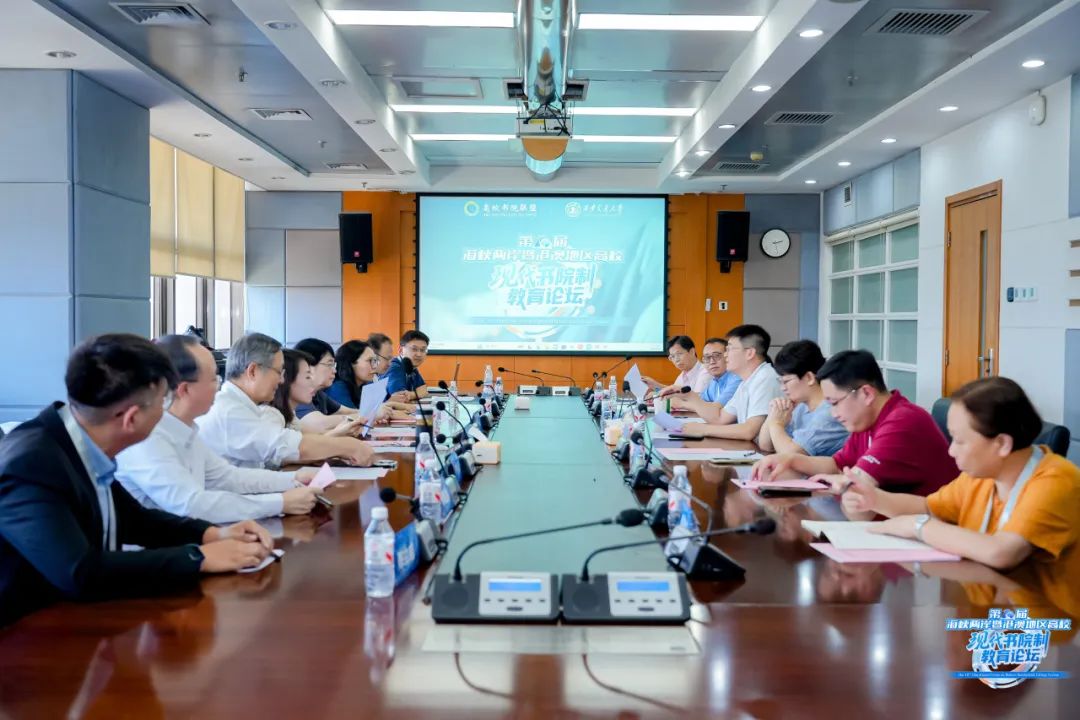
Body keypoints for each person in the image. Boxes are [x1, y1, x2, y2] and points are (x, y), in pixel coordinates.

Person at [0, 334, 274, 627]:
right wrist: (198, 558)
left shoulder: (77, 441)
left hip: (78, 621)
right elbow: (80, 571)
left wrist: (212, 534)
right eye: (162, 401)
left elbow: (134, 519)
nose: (167, 411)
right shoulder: (31, 465)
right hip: (25, 634)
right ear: (131, 418)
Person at [842, 377, 1080, 577]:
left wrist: (917, 526)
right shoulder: (982, 475)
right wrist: (875, 498)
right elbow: (929, 507)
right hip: (988, 601)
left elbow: (1001, 552)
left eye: (960, 440)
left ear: (1001, 444)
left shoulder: (1057, 481)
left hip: (1044, 616)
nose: (951, 450)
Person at [116, 336, 319, 524]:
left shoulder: (186, 429)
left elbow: (227, 477)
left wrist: (293, 479)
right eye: (214, 378)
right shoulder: (147, 437)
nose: (219, 386)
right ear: (184, 389)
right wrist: (280, 503)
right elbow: (191, 504)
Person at [753, 349, 957, 496]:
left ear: (866, 393)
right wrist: (790, 460)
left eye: (835, 403)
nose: (834, 414)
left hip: (931, 525)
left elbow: (856, 483)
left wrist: (837, 480)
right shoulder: (866, 419)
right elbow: (837, 465)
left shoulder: (902, 421)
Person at [197, 333, 374, 469]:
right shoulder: (233, 411)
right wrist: (345, 446)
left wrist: (290, 486)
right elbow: (286, 447)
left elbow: (241, 477)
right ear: (253, 371)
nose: (282, 380)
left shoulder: (247, 407)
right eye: (278, 372)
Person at [676, 324, 783, 441]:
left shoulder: (765, 377)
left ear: (749, 353)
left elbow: (749, 431)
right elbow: (720, 418)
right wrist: (689, 396)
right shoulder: (746, 382)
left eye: (729, 349)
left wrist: (703, 429)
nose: (725, 355)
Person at [757, 340, 848, 457]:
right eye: (780, 381)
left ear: (809, 378)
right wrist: (773, 414)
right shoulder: (801, 407)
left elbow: (791, 455)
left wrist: (776, 424)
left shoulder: (829, 412)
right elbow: (766, 446)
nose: (783, 388)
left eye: (786, 381)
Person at [268, 349, 370, 436]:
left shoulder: (291, 413)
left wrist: (340, 431)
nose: (312, 382)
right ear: (285, 378)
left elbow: (306, 443)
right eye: (307, 377)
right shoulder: (271, 416)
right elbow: (302, 448)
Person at [292, 338, 358, 431]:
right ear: (308, 365)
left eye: (334, 365)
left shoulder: (318, 394)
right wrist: (363, 417)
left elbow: (348, 412)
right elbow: (319, 424)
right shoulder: (297, 392)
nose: (334, 371)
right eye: (329, 364)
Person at [643, 336, 710, 396]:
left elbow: (696, 399)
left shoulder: (705, 372)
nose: (676, 360)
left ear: (692, 352)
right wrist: (655, 385)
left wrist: (657, 393)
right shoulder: (682, 375)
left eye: (679, 354)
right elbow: (674, 392)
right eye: (672, 356)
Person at [382, 330, 431, 399]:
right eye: (414, 349)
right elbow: (399, 397)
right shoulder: (394, 368)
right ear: (401, 350)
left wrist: (413, 394)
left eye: (423, 350)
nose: (419, 354)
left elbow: (423, 390)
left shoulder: (411, 367)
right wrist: (416, 394)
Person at [369, 332, 413, 404]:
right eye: (387, 358)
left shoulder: (375, 377)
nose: (390, 364)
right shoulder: (363, 381)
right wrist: (389, 402)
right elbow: (367, 410)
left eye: (391, 359)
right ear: (373, 356)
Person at [697, 337, 742, 408]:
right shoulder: (715, 381)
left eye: (717, 356)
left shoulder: (736, 378)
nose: (712, 361)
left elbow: (717, 407)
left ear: (727, 356)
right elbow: (701, 399)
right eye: (707, 357)